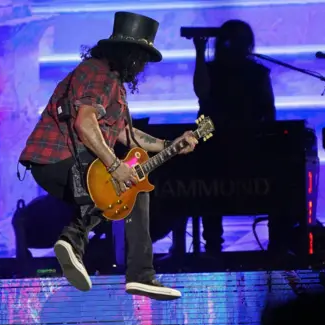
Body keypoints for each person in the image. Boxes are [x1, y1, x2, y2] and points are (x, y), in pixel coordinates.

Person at [18, 12, 198, 301]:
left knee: (136, 188)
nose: (141, 67)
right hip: (60, 159)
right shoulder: (98, 74)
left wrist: (170, 144)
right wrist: (115, 166)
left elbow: (128, 136)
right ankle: (76, 239)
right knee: (123, 182)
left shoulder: (114, 85)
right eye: (139, 58)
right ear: (126, 53)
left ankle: (134, 272)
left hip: (63, 162)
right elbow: (85, 123)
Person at [188, 19, 276, 253]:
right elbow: (202, 92)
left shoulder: (257, 73)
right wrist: (199, 53)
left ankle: (276, 242)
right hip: (215, 144)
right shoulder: (212, 70)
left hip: (248, 143)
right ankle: (212, 243)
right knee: (207, 182)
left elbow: (268, 112)